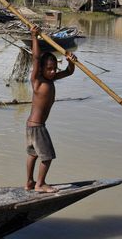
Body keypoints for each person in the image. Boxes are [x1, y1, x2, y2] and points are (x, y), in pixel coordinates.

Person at [25, 26, 76, 192]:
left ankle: (29, 183)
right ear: (41, 69)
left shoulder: (51, 79)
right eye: (49, 68)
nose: (53, 71)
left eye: (55, 68)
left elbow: (69, 72)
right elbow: (35, 57)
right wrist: (34, 36)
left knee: (33, 154)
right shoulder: (38, 80)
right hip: (38, 126)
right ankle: (40, 184)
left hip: (31, 126)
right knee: (47, 157)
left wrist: (71, 60)